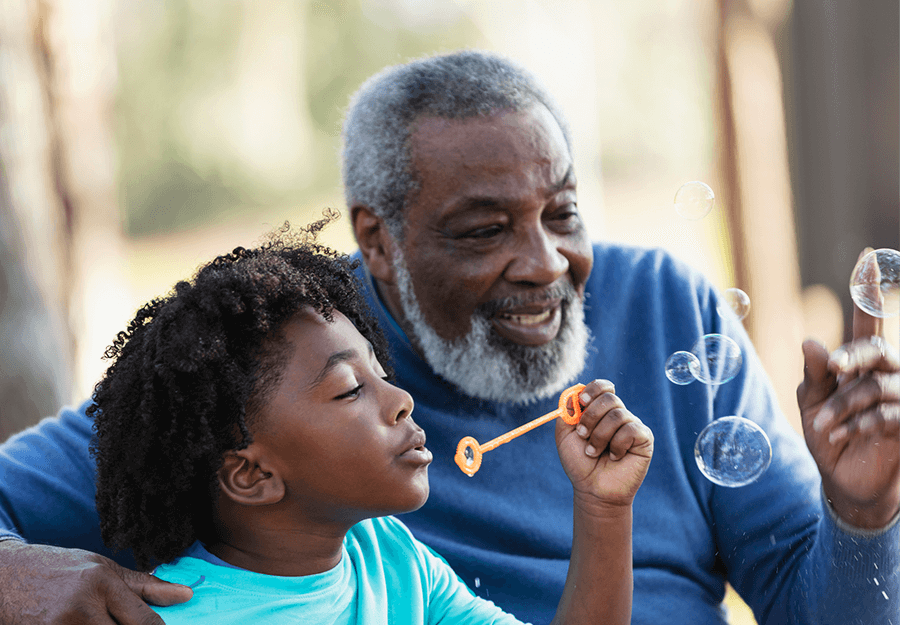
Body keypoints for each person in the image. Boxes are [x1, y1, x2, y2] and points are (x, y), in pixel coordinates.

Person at [0, 49, 897, 625]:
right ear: (378, 239)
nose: (545, 262)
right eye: (482, 229)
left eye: (564, 212)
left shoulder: (665, 304)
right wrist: (14, 573)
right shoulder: (270, 363)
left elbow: (820, 607)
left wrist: (863, 512)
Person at [87, 216, 652, 624]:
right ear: (252, 476)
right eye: (351, 389)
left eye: (382, 372)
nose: (399, 399)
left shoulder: (387, 558)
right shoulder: (175, 618)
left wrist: (604, 506)